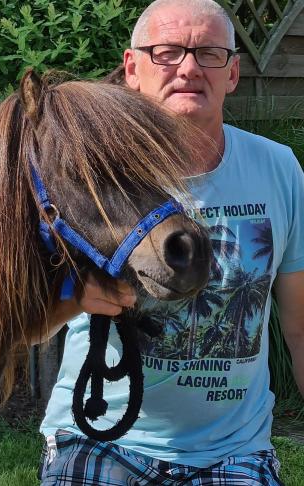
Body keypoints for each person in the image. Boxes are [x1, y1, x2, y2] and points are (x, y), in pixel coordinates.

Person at [38, 0, 304, 484]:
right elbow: (21, 326)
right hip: (100, 435)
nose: (188, 68)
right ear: (132, 68)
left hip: (231, 450)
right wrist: (72, 299)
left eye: (208, 53)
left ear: (233, 73)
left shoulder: (279, 169)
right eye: (167, 52)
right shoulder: (91, 174)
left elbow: (301, 327)